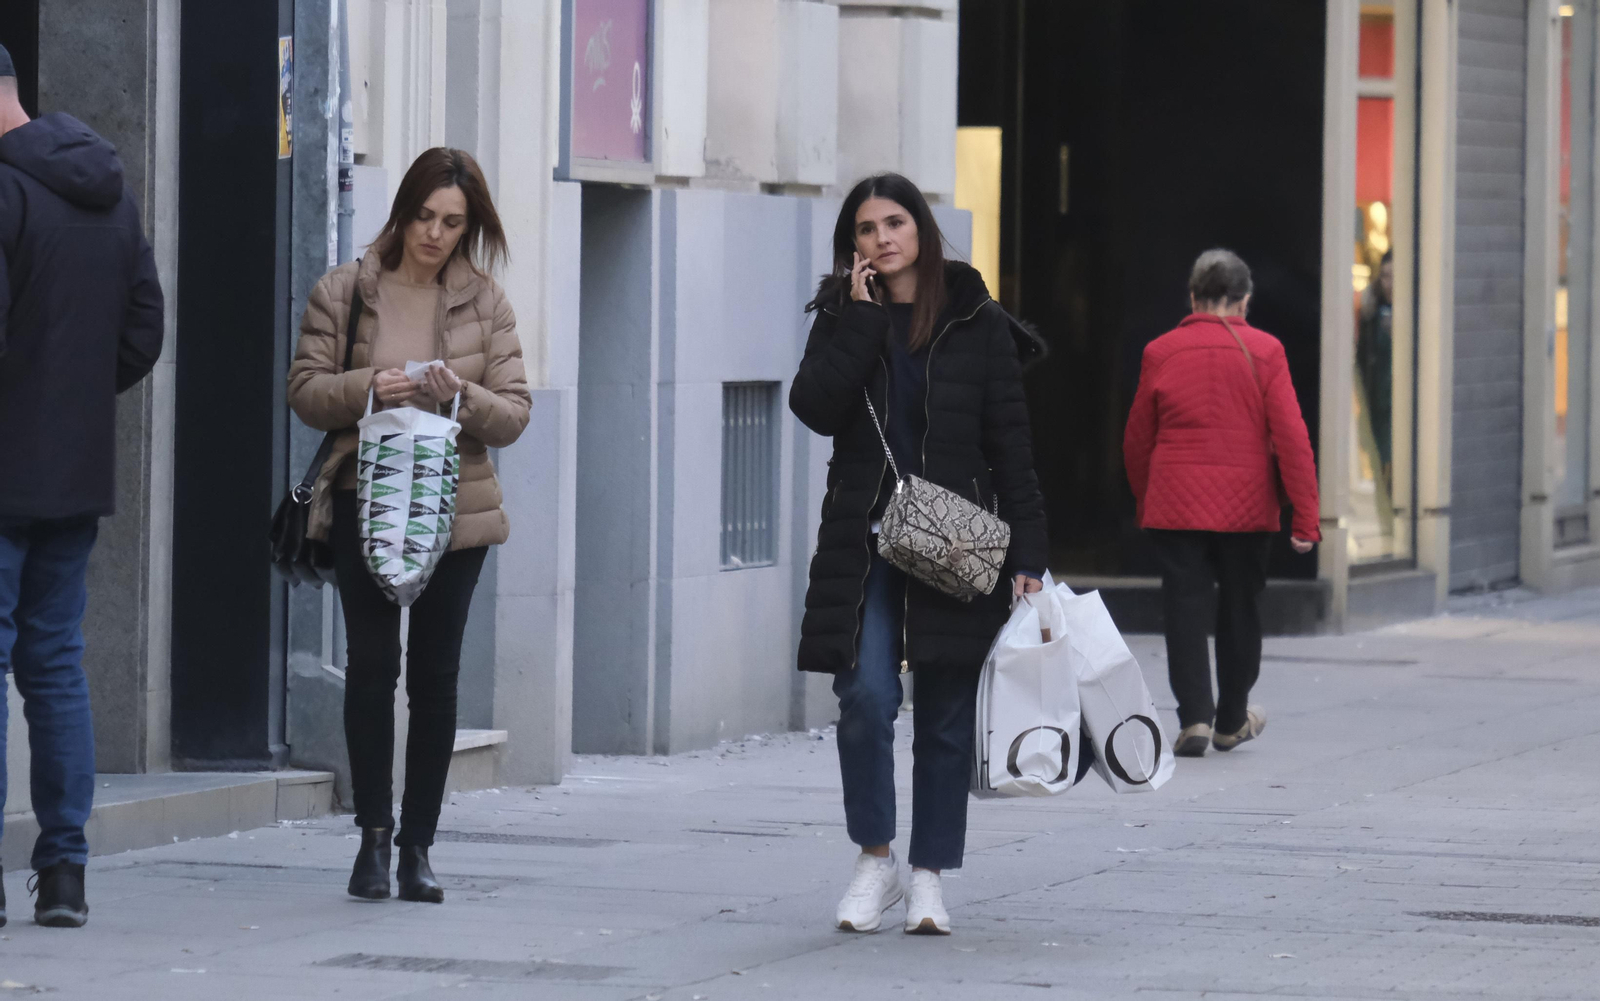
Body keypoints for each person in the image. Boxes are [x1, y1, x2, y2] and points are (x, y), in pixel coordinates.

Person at [791, 173, 1048, 936]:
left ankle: (930, 875)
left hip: (957, 541)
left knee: (942, 713)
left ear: (922, 229)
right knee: (866, 697)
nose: (883, 238)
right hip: (866, 540)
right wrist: (863, 324)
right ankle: (876, 859)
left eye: (895, 222)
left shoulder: (976, 318)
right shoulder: (844, 316)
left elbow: (1013, 446)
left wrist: (1030, 549)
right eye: (867, 229)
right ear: (855, 248)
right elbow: (813, 407)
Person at [288, 148, 530, 903]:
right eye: (424, 215)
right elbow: (304, 390)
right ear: (403, 210)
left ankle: (420, 844)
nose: (434, 233)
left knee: (436, 676)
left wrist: (460, 396)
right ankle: (372, 839)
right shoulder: (346, 289)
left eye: (452, 222)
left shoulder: (485, 303)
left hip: (456, 508)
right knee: (370, 667)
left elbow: (515, 412)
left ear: (469, 227)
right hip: (365, 498)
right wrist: (372, 388)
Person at [0, 45, 165, 928]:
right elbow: (145, 325)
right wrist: (75, 398)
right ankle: (64, 870)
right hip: (74, 470)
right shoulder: (107, 186)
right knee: (56, 666)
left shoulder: (4, 193)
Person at [1123, 249, 1319, 758]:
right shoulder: (1266, 350)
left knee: (1183, 606)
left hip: (1177, 502)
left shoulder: (1161, 351)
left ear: (1193, 297)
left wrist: (1148, 500)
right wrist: (1307, 516)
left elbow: (1137, 438)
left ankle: (1193, 719)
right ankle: (1232, 718)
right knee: (1240, 606)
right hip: (1248, 506)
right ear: (1244, 301)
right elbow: (1292, 436)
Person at [1357, 249, 1394, 486]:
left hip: (1400, 412)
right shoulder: (1372, 314)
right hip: (1378, 407)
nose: (1390, 284)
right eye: (1385, 276)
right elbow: (1363, 359)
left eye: (1394, 276)